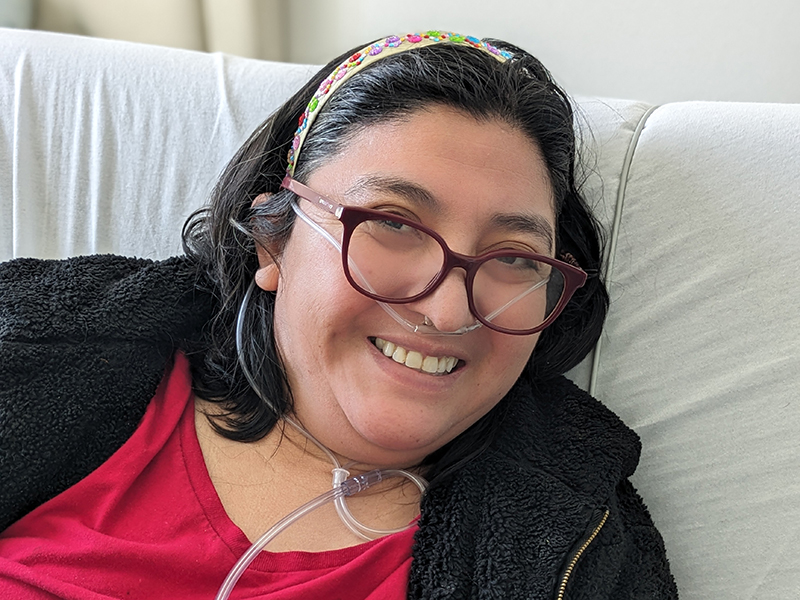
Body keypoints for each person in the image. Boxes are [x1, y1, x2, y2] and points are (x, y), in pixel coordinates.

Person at [0, 31, 678, 599]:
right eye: (393, 224)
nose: (446, 313)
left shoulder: (574, 552)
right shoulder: (44, 365)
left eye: (514, 257)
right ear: (273, 240)